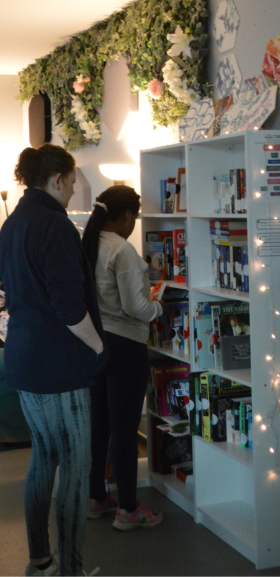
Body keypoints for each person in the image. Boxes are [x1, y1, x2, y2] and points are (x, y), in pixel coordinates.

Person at [0, 144, 107, 577]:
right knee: (75, 470)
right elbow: (70, 308)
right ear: (58, 179)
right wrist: (99, 346)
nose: (76, 186)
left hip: (24, 360)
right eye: (73, 178)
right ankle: (71, 571)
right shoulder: (55, 225)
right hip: (59, 367)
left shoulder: (12, 223)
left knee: (44, 458)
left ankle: (41, 562)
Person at [82, 185, 165, 531]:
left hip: (96, 344)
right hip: (126, 348)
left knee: (100, 425)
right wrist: (158, 304)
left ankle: (96, 497)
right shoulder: (123, 250)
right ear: (129, 215)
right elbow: (136, 307)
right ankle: (128, 510)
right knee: (125, 430)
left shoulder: (89, 243)